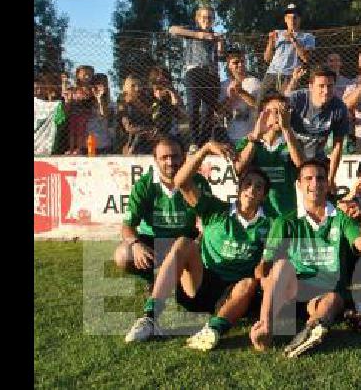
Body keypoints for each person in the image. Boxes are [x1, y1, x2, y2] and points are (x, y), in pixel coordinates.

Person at [124, 141, 271, 352]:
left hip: (232, 294)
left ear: (264, 195)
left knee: (248, 283)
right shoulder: (216, 209)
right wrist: (205, 150)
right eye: (247, 184)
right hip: (199, 285)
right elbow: (181, 181)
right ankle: (150, 317)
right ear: (238, 188)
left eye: (258, 187)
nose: (251, 190)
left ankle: (214, 330)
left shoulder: (270, 224)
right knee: (184, 243)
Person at [249, 159, 361, 357]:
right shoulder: (286, 221)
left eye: (320, 178)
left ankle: (311, 330)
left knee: (333, 300)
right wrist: (267, 282)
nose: (315, 183)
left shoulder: (341, 218)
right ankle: (265, 328)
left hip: (323, 296)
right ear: (298, 185)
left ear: (328, 183)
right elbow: (264, 265)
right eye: (308, 178)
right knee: (281, 265)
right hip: (292, 293)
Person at [114, 136, 213, 285]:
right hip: (154, 243)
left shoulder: (198, 182)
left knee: (212, 248)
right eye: (164, 157)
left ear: (184, 157)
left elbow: (209, 220)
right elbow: (127, 226)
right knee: (123, 255)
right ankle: (155, 280)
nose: (170, 162)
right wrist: (136, 245)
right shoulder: (144, 185)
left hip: (185, 241)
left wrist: (199, 241)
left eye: (175, 156)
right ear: (155, 160)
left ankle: (179, 278)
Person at [234, 94, 304, 218]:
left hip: (285, 214)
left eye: (285, 111)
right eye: (276, 112)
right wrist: (255, 137)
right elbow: (238, 168)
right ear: (263, 114)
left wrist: (287, 129)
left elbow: (301, 166)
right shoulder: (248, 142)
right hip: (255, 215)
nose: (281, 116)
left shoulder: (293, 142)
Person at [284, 66, 351, 185]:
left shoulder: (339, 108)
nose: (326, 91)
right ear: (310, 86)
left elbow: (338, 146)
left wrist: (331, 178)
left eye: (330, 86)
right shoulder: (296, 100)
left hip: (316, 160)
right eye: (321, 86)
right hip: (288, 158)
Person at [169, 7, 224, 149]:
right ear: (198, 18)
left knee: (208, 111)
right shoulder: (192, 30)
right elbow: (172, 30)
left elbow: (219, 57)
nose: (207, 21)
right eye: (204, 17)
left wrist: (219, 43)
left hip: (210, 73)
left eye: (210, 18)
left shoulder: (214, 34)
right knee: (193, 106)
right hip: (193, 71)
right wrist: (199, 35)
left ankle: (204, 143)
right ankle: (194, 142)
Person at [263, 4, 315, 93]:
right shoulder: (277, 34)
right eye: (289, 17)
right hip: (271, 74)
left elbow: (306, 58)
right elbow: (267, 59)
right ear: (285, 19)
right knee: (261, 103)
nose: (292, 20)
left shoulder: (308, 36)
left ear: (300, 19)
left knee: (285, 103)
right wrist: (270, 42)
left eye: (295, 17)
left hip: (290, 76)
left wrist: (293, 39)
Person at [217, 47, 263, 145]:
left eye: (242, 61)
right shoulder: (223, 85)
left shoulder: (254, 82)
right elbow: (219, 113)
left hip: (253, 136)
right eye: (236, 62)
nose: (240, 65)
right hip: (232, 137)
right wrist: (230, 97)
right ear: (228, 65)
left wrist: (241, 92)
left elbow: (259, 106)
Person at [86, 73, 115, 154]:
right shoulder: (86, 103)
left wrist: (99, 98)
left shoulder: (111, 104)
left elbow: (105, 115)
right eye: (98, 84)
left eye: (104, 84)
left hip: (104, 144)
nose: (101, 88)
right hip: (88, 143)